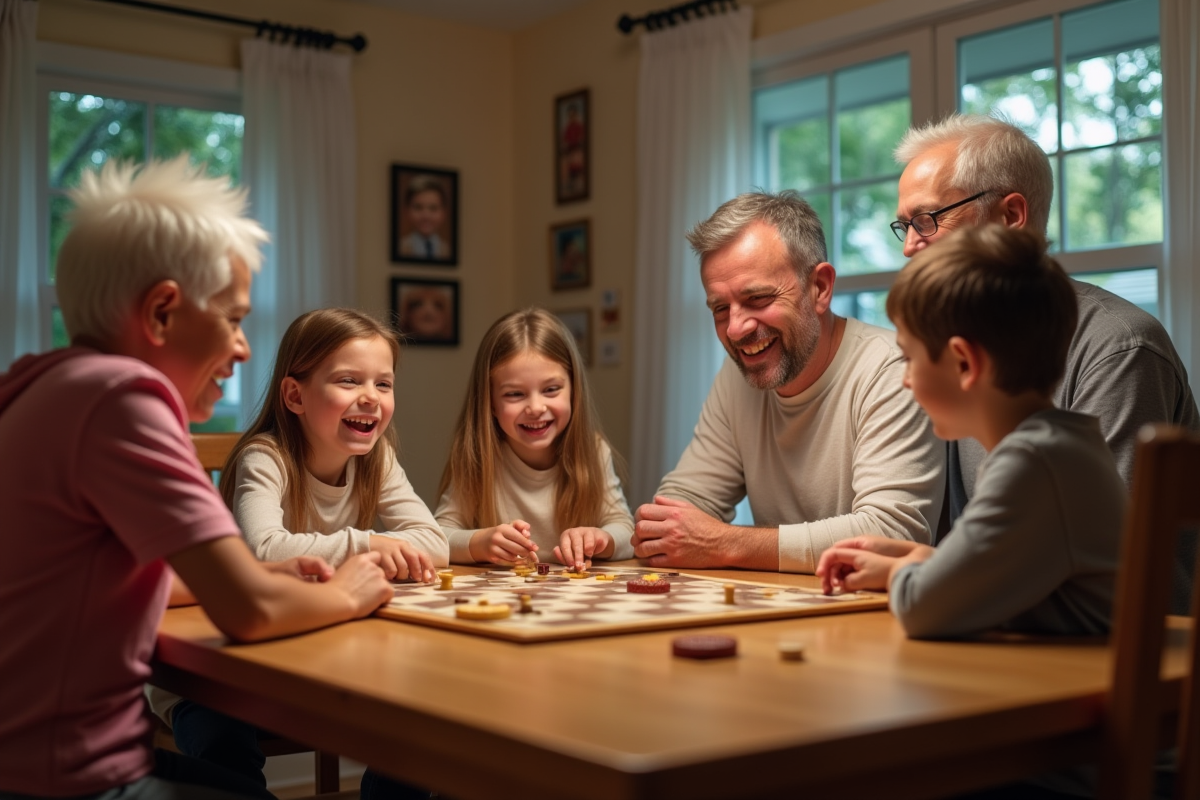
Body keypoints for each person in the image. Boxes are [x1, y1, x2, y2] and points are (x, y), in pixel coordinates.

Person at [0, 157, 393, 800]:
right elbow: (251, 614)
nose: (243, 348)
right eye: (233, 319)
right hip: (63, 778)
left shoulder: (41, 385)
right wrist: (348, 592)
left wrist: (265, 570)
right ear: (160, 313)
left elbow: (112, 579)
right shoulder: (124, 397)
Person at [817, 224, 1124, 800]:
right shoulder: (1065, 445)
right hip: (1062, 734)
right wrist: (912, 558)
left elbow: (927, 610)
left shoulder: (1030, 463)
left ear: (963, 364)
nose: (905, 381)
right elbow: (1025, 578)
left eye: (909, 360)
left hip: (1062, 768)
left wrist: (909, 579)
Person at [893, 113, 1199, 612]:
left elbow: (1110, 574)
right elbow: (984, 552)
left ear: (1012, 216)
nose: (909, 245)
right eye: (904, 226)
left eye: (927, 219)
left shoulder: (1119, 347)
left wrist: (920, 578)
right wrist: (918, 564)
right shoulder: (955, 366)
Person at [632, 191, 945, 573]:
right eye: (719, 308)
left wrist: (725, 544)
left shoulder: (893, 369)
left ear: (820, 288)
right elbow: (684, 503)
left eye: (758, 298)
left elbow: (893, 535)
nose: (735, 328)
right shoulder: (738, 379)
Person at [436, 307, 634, 570]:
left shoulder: (594, 451)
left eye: (551, 390)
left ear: (574, 391)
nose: (536, 407)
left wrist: (602, 539)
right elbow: (438, 537)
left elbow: (626, 532)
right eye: (515, 394)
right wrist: (479, 541)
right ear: (490, 403)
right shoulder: (477, 456)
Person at [399, 175, 450, 261]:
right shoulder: (401, 247)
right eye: (418, 207)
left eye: (433, 208)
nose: (426, 216)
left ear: (443, 213)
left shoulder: (448, 250)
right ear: (406, 211)